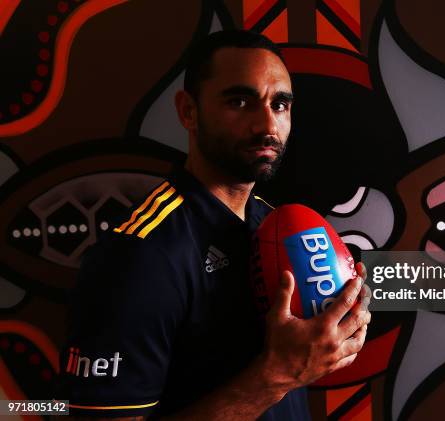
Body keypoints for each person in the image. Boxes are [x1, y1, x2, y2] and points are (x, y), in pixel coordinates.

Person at [54, 30, 371, 420]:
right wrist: (277, 377)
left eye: (281, 105)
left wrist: (336, 327)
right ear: (189, 111)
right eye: (240, 101)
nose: (267, 125)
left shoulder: (271, 223)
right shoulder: (139, 255)